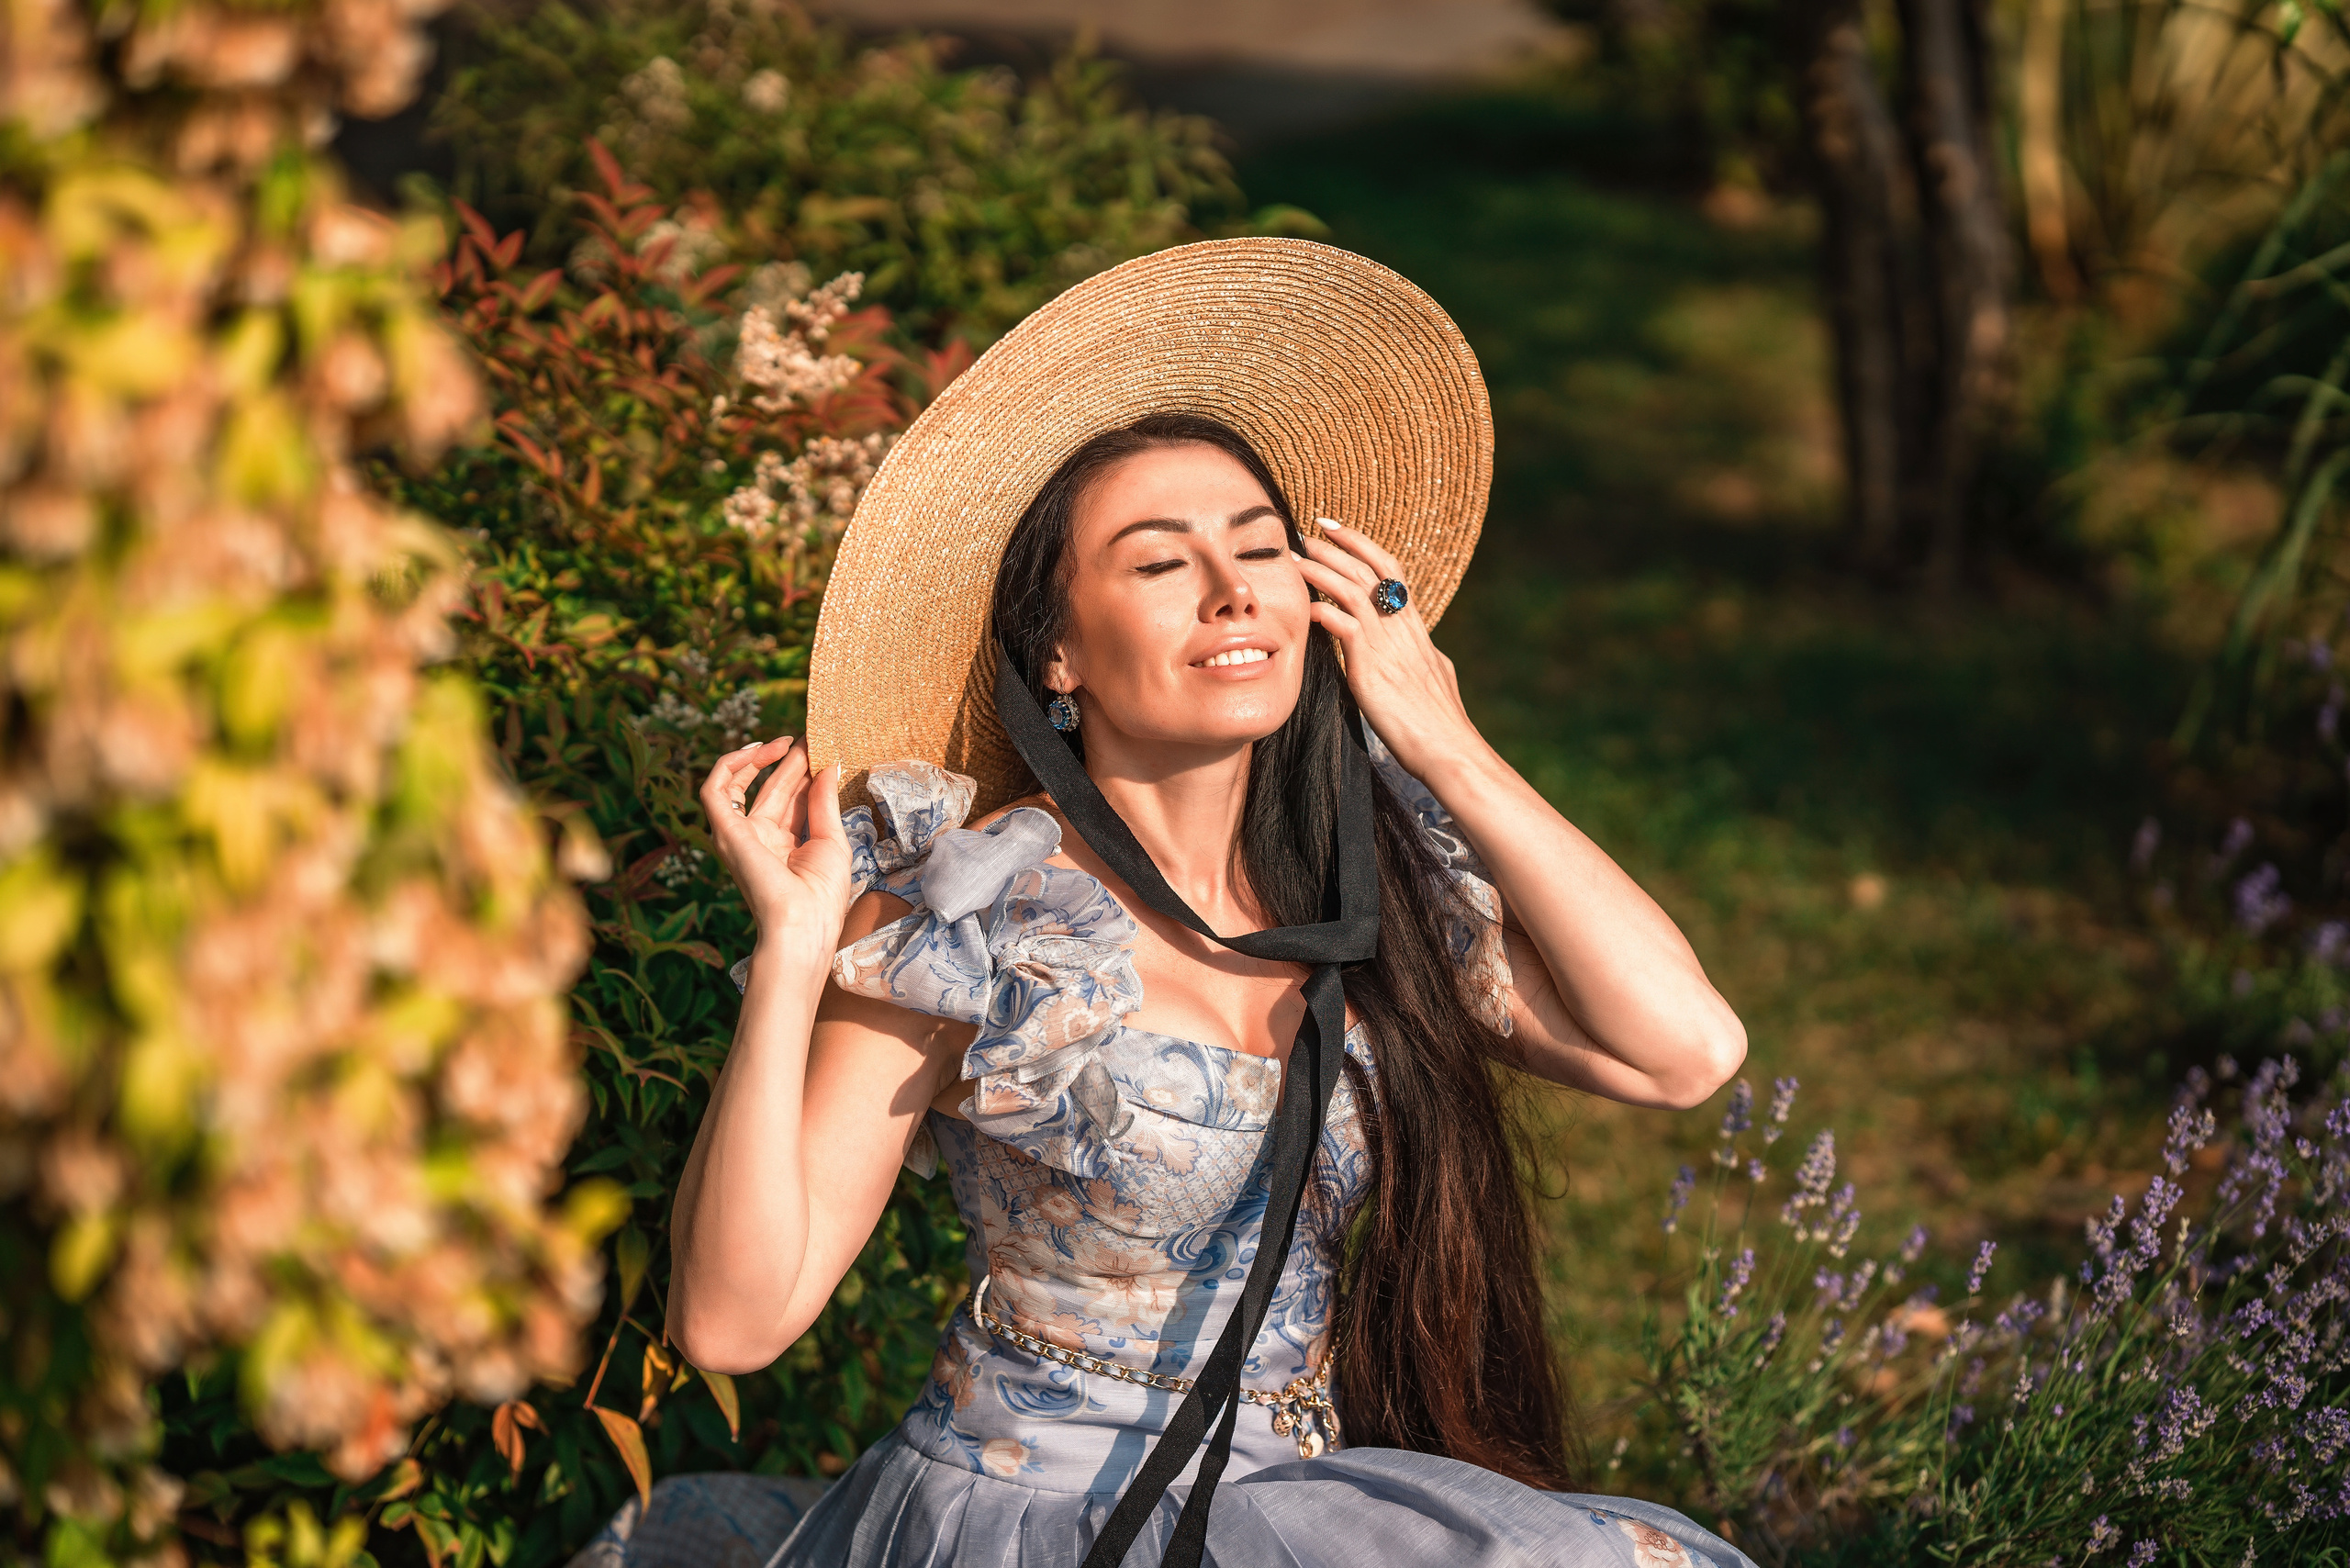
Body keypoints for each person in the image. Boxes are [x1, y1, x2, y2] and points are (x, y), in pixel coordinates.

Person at [583, 240, 1756, 1568]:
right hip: (1036, 1521)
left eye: (1261, 548)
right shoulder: (975, 924)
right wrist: (797, 955)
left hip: (1302, 1505)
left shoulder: (1360, 888)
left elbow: (1683, 1052)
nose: (1234, 589)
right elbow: (733, 1323)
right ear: (1058, 651)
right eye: (1159, 564)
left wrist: (1446, 745)